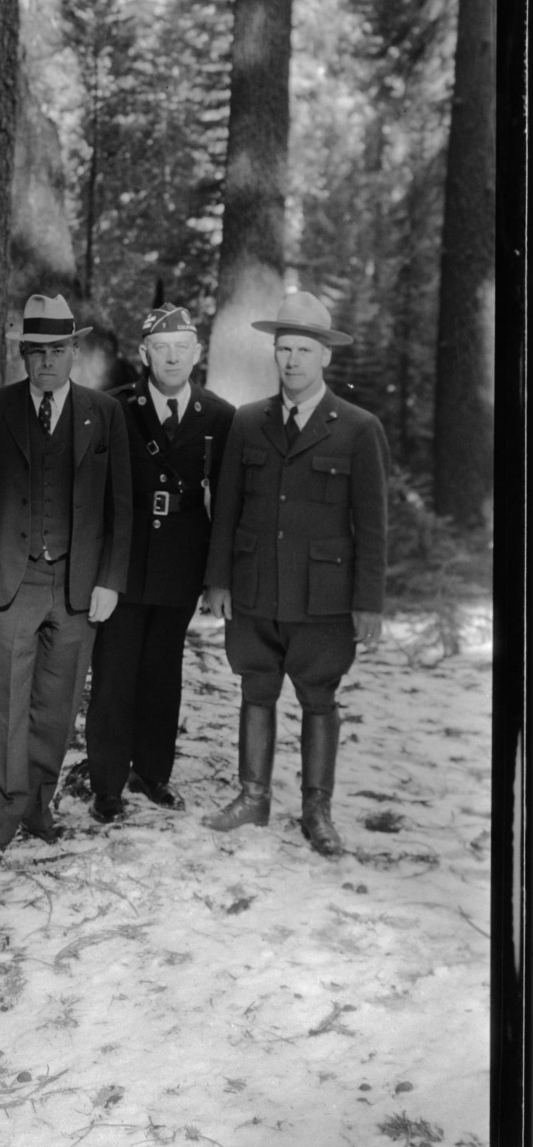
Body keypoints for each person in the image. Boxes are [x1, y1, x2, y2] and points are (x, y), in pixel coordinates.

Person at [203, 289, 389, 857]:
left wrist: (369, 602)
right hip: (257, 586)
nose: (291, 361)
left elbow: (373, 525)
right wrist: (219, 581)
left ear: (325, 357)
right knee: (256, 689)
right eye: (284, 349)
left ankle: (317, 811)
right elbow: (227, 508)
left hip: (323, 597)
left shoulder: (358, 428)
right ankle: (253, 797)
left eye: (304, 350)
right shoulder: (248, 422)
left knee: (318, 697)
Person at [0, 294, 133, 861]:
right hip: (12, 580)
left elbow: (120, 507)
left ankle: (38, 805)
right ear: (24, 355)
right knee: (6, 703)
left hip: (78, 585)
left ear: (74, 352)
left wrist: (110, 580)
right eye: (36, 351)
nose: (46, 361)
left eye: (57, 350)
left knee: (57, 704)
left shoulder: (103, 413)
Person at [84, 305, 235, 822]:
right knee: (113, 673)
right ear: (144, 354)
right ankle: (106, 783)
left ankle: (152, 773)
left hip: (180, 559)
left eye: (182, 348)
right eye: (161, 348)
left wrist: (216, 576)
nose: (172, 358)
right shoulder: (114, 408)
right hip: (123, 563)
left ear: (197, 353)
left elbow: (227, 503)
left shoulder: (219, 415)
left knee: (162, 672)